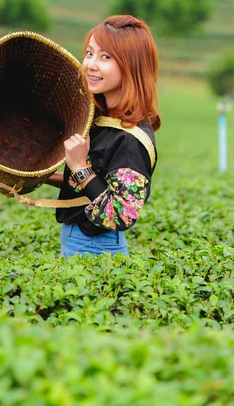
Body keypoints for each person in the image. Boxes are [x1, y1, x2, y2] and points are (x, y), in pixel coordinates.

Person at [45, 15, 161, 257]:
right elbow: (93, 183)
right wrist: (41, 177)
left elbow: (121, 214)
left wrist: (79, 166)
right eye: (89, 53)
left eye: (105, 57)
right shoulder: (100, 120)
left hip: (96, 247)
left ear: (132, 66)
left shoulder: (129, 139)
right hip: (78, 240)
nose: (90, 64)